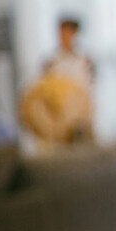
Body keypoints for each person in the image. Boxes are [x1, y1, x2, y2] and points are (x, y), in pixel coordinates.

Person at [21, 15, 95, 149]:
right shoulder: (51, 62)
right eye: (62, 32)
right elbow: (43, 92)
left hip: (79, 119)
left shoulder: (84, 61)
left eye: (68, 32)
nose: (64, 36)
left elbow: (89, 90)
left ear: (75, 33)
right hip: (56, 122)